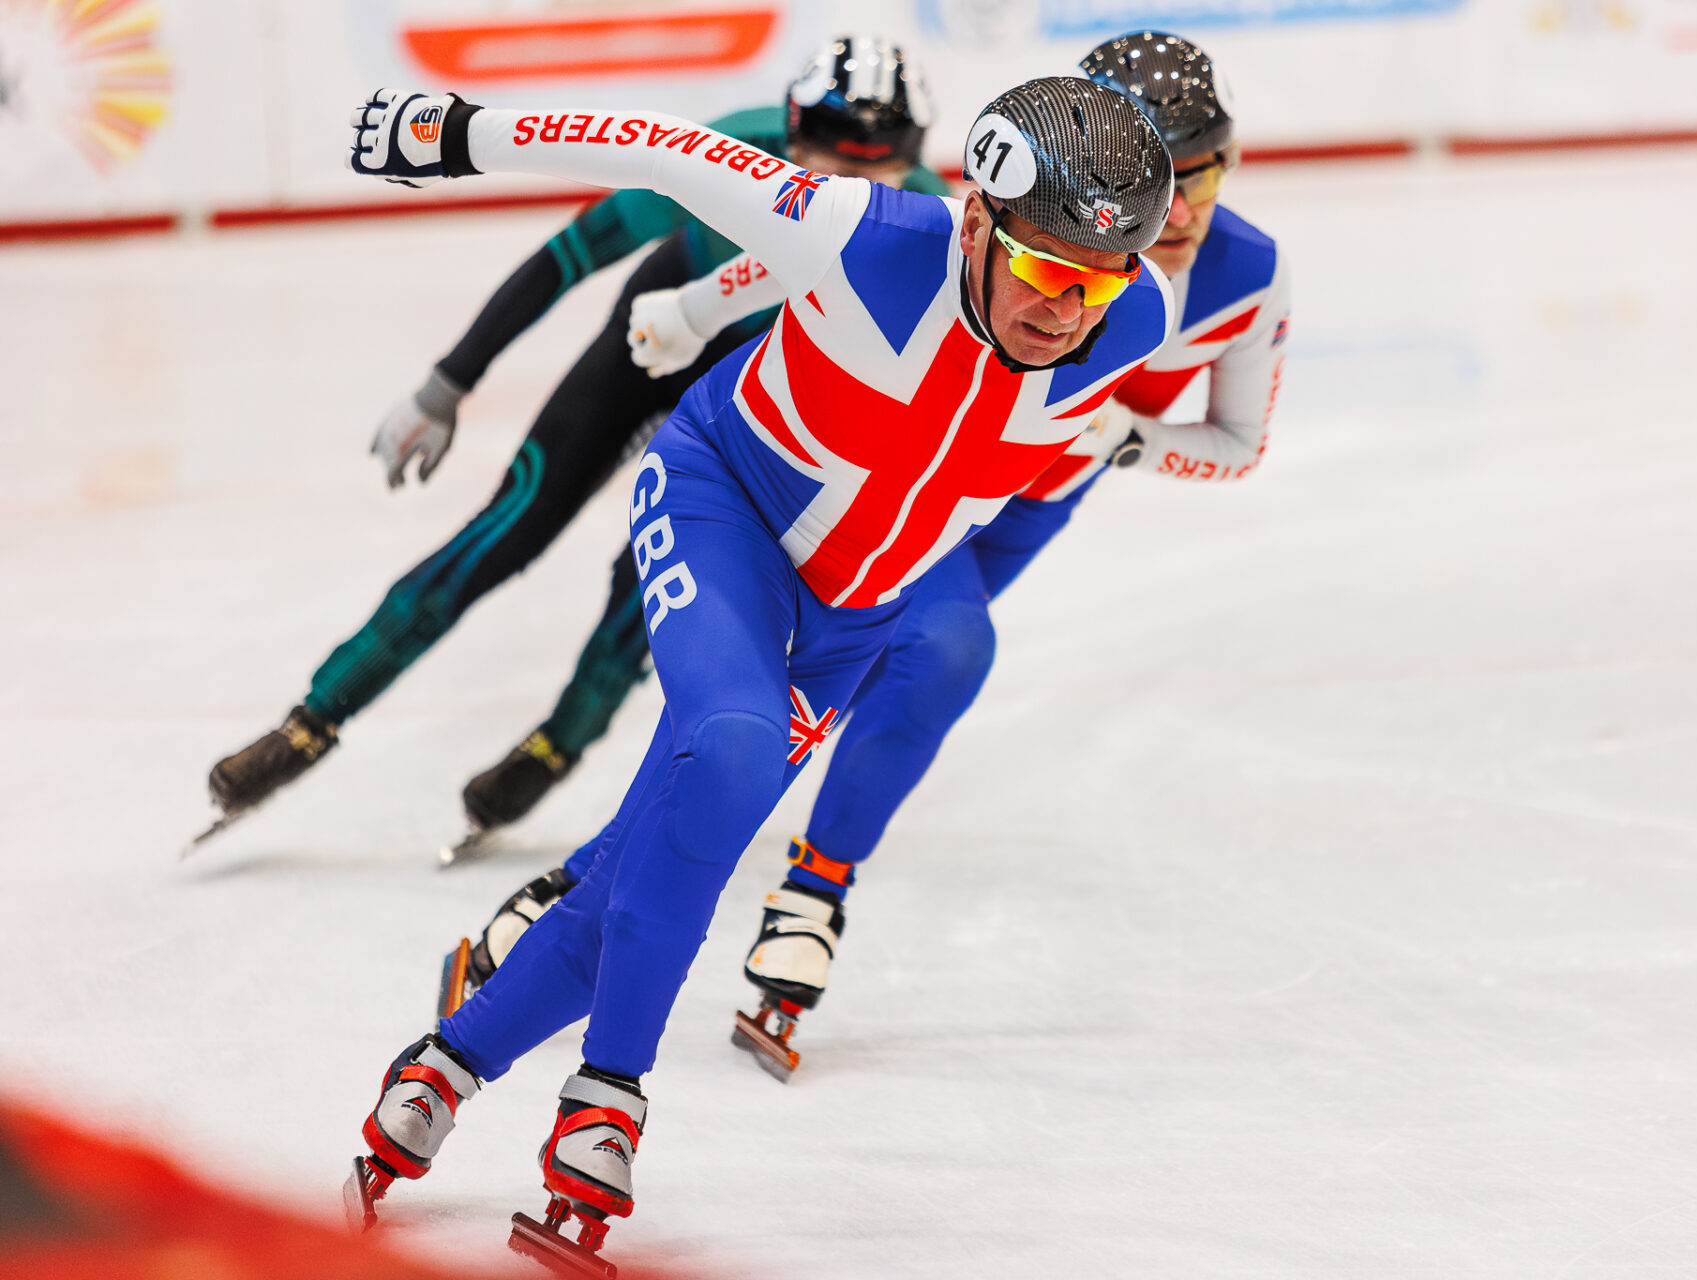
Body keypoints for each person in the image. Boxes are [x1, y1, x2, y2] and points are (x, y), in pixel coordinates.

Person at [340, 73, 1177, 1267]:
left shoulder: (1131, 324)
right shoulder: (864, 234)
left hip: (853, 613)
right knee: (730, 748)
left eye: (1101, 281)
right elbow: (660, 149)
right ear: (977, 221)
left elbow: (1106, 434)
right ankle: (607, 1098)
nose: (1068, 310)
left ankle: (442, 1066)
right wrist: (455, 133)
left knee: (648, 867)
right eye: (1047, 270)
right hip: (721, 503)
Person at [451, 32, 1293, 1081]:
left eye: (1203, 174)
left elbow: (1241, 444)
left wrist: (1131, 439)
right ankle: (791, 893)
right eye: (1161, 178)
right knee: (919, 662)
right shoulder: (1011, 233)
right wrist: (700, 307)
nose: (1180, 211)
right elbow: (840, 248)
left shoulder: (1245, 274)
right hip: (897, 493)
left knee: (805, 714)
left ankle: (695, 886)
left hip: (1005, 513)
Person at [196, 38, 944, 852]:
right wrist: (447, 383)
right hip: (651, 341)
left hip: (754, 395)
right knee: (512, 526)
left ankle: (560, 742)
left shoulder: (930, 220)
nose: (852, 189)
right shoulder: (742, 147)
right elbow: (570, 257)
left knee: (652, 584)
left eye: (880, 169)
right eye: (831, 162)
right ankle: (317, 716)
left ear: (912, 162)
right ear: (790, 138)